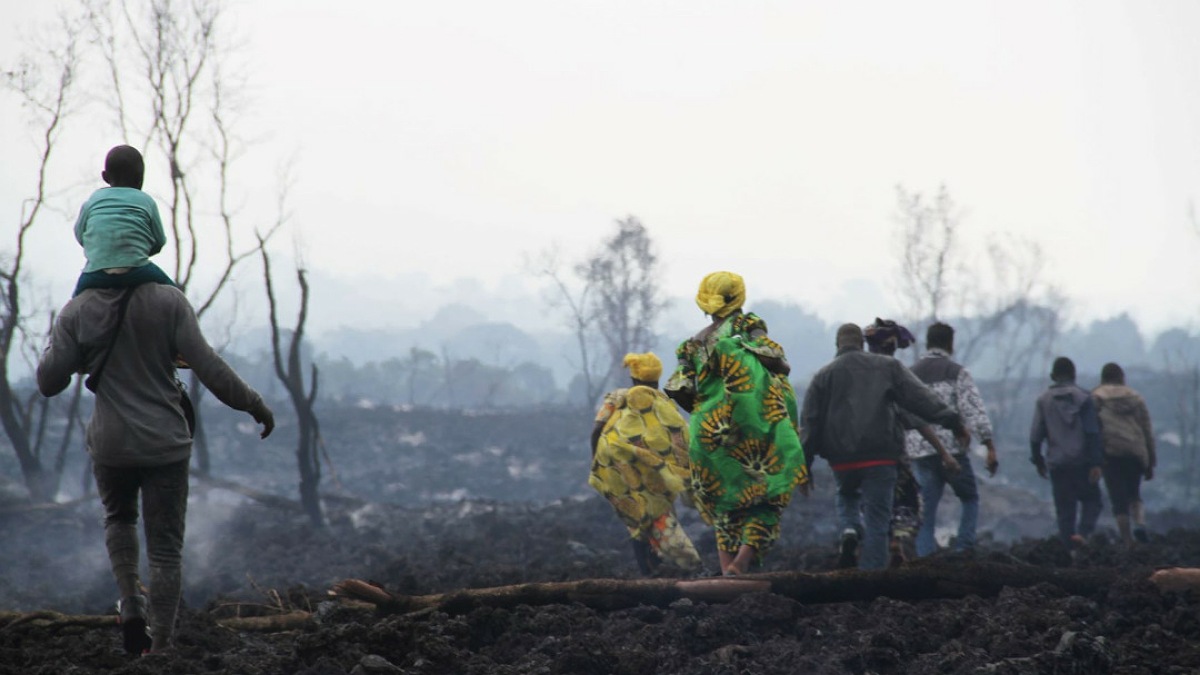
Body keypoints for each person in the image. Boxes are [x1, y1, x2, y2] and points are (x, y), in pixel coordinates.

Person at [37, 283, 274, 654]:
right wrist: (253, 404)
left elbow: (49, 382)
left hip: (110, 443)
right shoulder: (168, 302)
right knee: (165, 551)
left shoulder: (77, 309)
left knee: (119, 518)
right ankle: (161, 646)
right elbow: (208, 366)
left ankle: (131, 602)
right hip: (164, 443)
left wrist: (63, 346)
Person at [664, 271, 808, 576]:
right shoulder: (746, 326)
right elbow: (778, 360)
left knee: (725, 503)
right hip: (750, 424)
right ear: (738, 297)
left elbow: (682, 389)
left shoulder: (692, 345)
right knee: (768, 496)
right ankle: (741, 562)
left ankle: (728, 573)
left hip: (708, 431)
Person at [801, 323, 967, 571]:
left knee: (846, 494)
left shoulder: (822, 376)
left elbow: (809, 424)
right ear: (861, 344)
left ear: (838, 345)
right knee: (878, 521)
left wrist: (804, 466)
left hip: (841, 459)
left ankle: (849, 528)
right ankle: (872, 579)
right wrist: (953, 421)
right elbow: (920, 398)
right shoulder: (887, 367)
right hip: (880, 458)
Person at [589, 352, 701, 575]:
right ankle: (672, 565)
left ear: (633, 378)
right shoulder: (663, 404)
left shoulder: (616, 398)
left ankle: (650, 571)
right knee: (659, 513)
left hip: (618, 469)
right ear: (657, 379)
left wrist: (598, 463)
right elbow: (679, 438)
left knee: (636, 521)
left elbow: (596, 431)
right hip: (654, 471)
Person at [863, 318, 960, 568]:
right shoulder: (893, 374)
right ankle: (897, 546)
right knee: (908, 507)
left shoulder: (859, 374)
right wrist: (945, 451)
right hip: (893, 454)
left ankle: (875, 562)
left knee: (875, 511)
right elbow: (918, 418)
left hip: (860, 457)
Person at [904, 322, 999, 557]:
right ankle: (964, 549)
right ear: (950, 344)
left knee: (926, 511)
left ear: (928, 343)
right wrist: (988, 445)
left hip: (919, 451)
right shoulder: (956, 372)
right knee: (969, 498)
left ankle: (924, 559)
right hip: (952, 450)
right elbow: (974, 410)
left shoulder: (909, 373)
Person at [73, 145, 175, 297]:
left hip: (97, 271)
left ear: (105, 177)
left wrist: (98, 251)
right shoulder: (146, 201)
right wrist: (138, 251)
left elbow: (80, 234)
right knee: (174, 294)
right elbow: (159, 241)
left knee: (75, 304)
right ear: (141, 177)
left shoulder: (93, 200)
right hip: (137, 269)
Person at [1030, 356, 1104, 551]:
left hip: (1058, 464)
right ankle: (1083, 533)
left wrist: (1038, 461)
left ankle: (1067, 551)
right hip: (1082, 462)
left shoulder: (1043, 400)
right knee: (1092, 500)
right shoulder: (1084, 398)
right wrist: (1096, 462)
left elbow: (1036, 435)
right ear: (1074, 375)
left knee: (1064, 510)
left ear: (1053, 376)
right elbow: (1092, 431)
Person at [1092, 362, 1156, 546]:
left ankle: (1127, 541)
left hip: (1111, 453)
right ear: (1122, 377)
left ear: (1103, 378)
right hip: (1135, 451)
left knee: (1118, 500)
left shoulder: (1096, 398)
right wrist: (1151, 461)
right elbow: (1147, 430)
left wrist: (1093, 458)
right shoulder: (1136, 398)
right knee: (1134, 493)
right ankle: (1140, 524)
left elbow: (1092, 429)